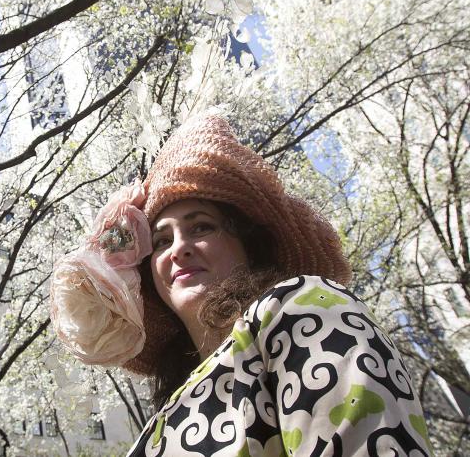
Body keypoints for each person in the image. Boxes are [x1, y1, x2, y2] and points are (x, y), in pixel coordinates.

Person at [49, 114, 433, 456]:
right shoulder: (159, 420)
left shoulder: (300, 308)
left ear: (248, 245)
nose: (179, 249)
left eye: (201, 227)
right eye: (162, 241)